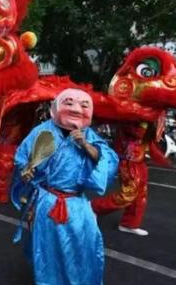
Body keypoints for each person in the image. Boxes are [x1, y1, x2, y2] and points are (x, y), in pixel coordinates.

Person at [11, 88, 118, 285]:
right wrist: (26, 170)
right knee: (46, 250)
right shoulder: (42, 131)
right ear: (56, 108)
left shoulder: (89, 135)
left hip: (77, 204)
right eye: (68, 103)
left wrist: (85, 144)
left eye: (84, 105)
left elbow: (107, 160)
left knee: (83, 248)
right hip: (47, 201)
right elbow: (21, 159)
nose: (76, 108)